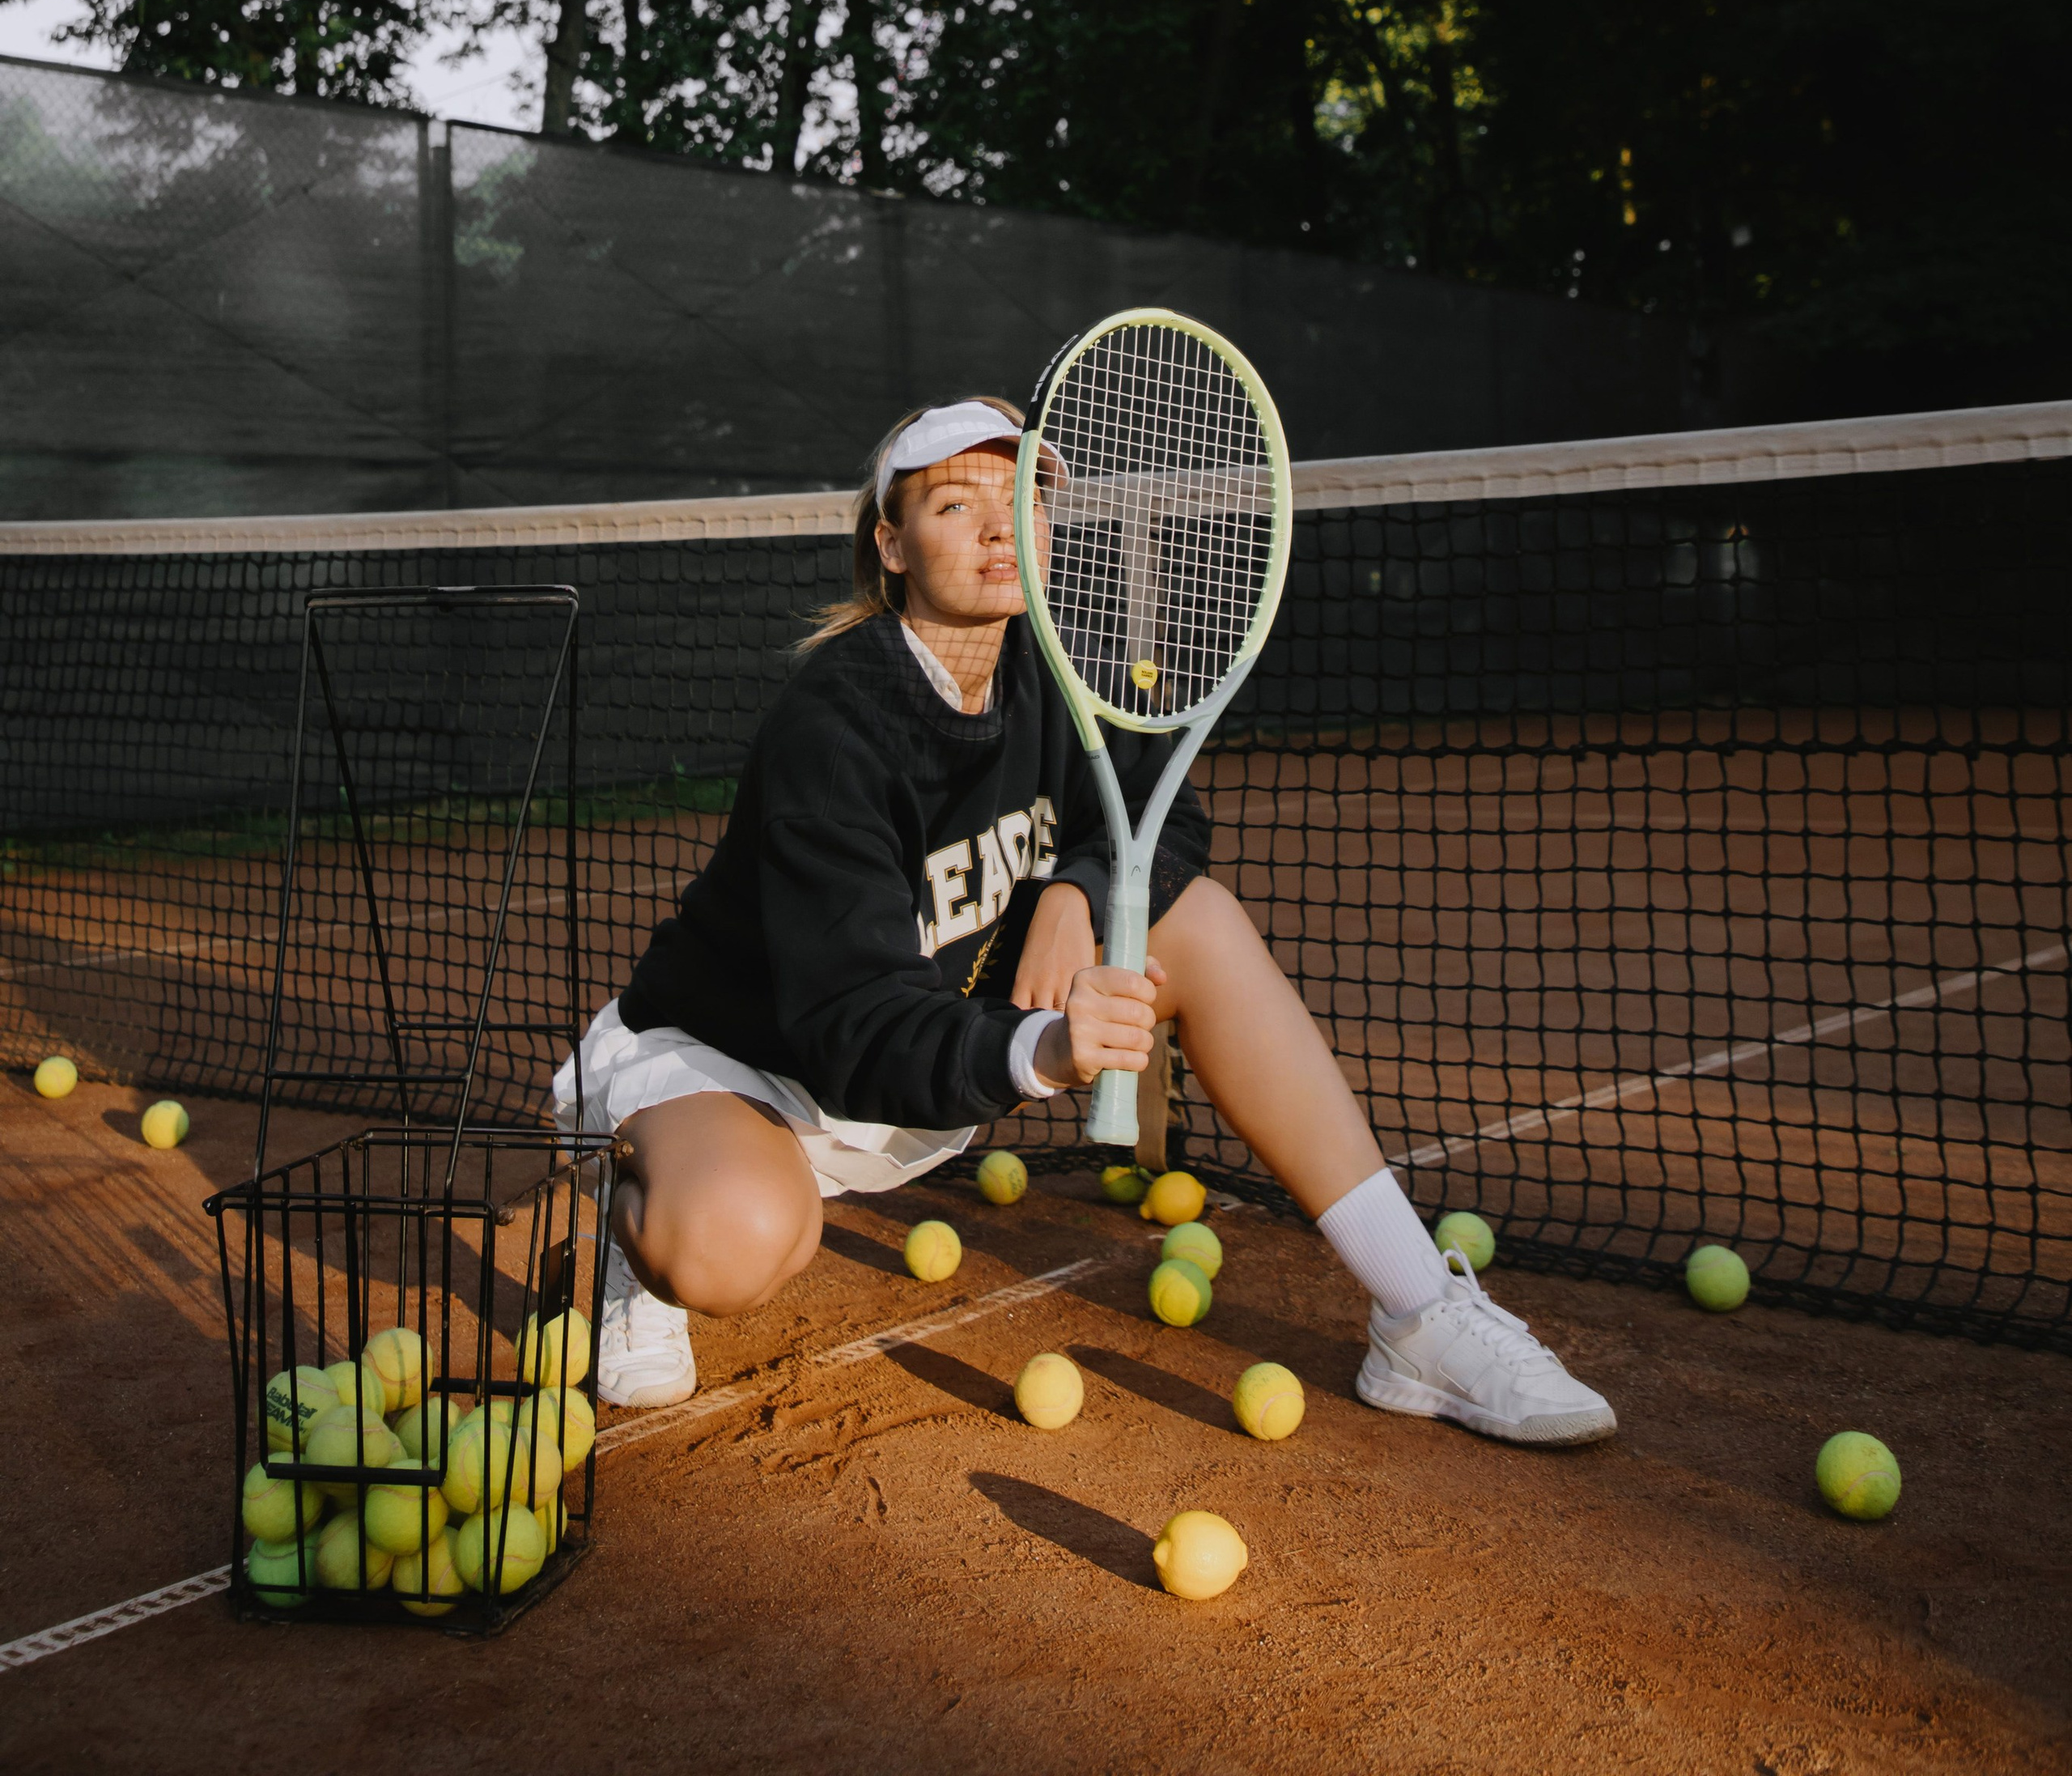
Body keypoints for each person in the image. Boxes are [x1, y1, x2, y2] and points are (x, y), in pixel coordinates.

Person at [554, 396, 1615, 1447]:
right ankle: (640, 1213)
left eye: (1021, 499)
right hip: (748, 1064)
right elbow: (850, 1023)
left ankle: (1420, 1313)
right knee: (732, 1242)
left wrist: (1078, 889)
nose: (997, 528)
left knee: (1195, 921)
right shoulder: (833, 728)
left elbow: (1165, 821)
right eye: (954, 504)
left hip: (916, 1064)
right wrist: (1042, 1049)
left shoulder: (1053, 669)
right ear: (891, 545)